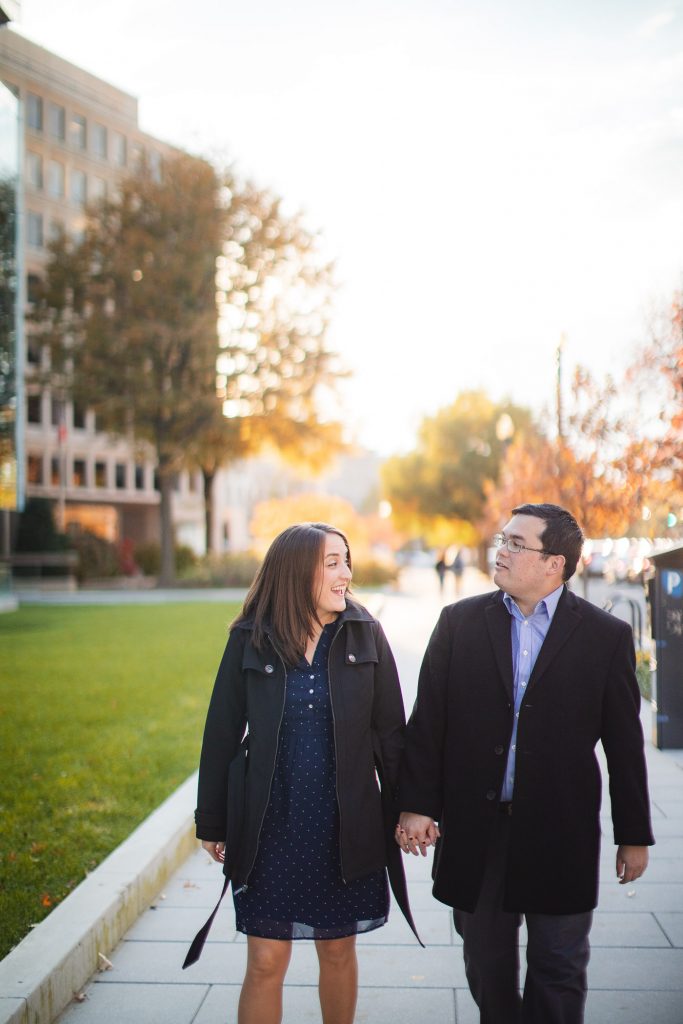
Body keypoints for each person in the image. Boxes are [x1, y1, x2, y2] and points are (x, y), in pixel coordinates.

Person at [396, 503, 654, 1024]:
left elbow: (625, 745)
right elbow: (428, 723)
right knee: (485, 965)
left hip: (560, 831)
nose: (503, 551)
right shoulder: (459, 623)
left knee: (559, 967)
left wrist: (633, 834)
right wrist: (416, 806)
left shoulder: (605, 637)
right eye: (504, 540)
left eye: (517, 544)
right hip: (477, 830)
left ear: (554, 563)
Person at [184, 522, 419, 1024]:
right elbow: (221, 733)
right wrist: (212, 821)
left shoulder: (364, 631)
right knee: (266, 959)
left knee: (337, 951)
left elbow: (390, 734)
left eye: (346, 561)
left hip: (344, 827)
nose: (346, 574)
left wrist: (407, 809)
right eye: (331, 563)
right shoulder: (250, 638)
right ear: (297, 573)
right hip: (270, 826)